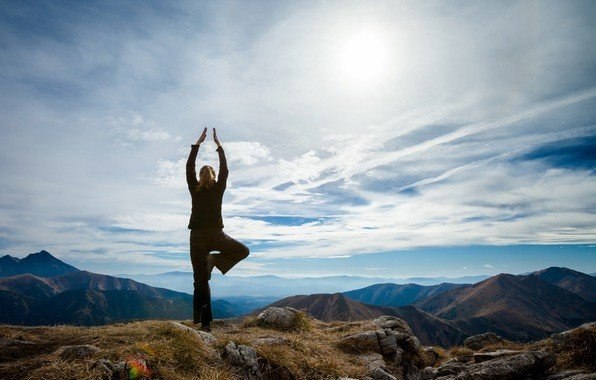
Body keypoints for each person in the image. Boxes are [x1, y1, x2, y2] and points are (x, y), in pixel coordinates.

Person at [186, 127, 250, 331]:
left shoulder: (194, 188)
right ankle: (214, 260)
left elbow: (188, 167)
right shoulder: (218, 187)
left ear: (199, 176)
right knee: (242, 250)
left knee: (200, 282)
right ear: (213, 176)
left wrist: (197, 144)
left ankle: (205, 324)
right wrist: (219, 146)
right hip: (215, 236)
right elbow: (225, 169)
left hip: (196, 238)